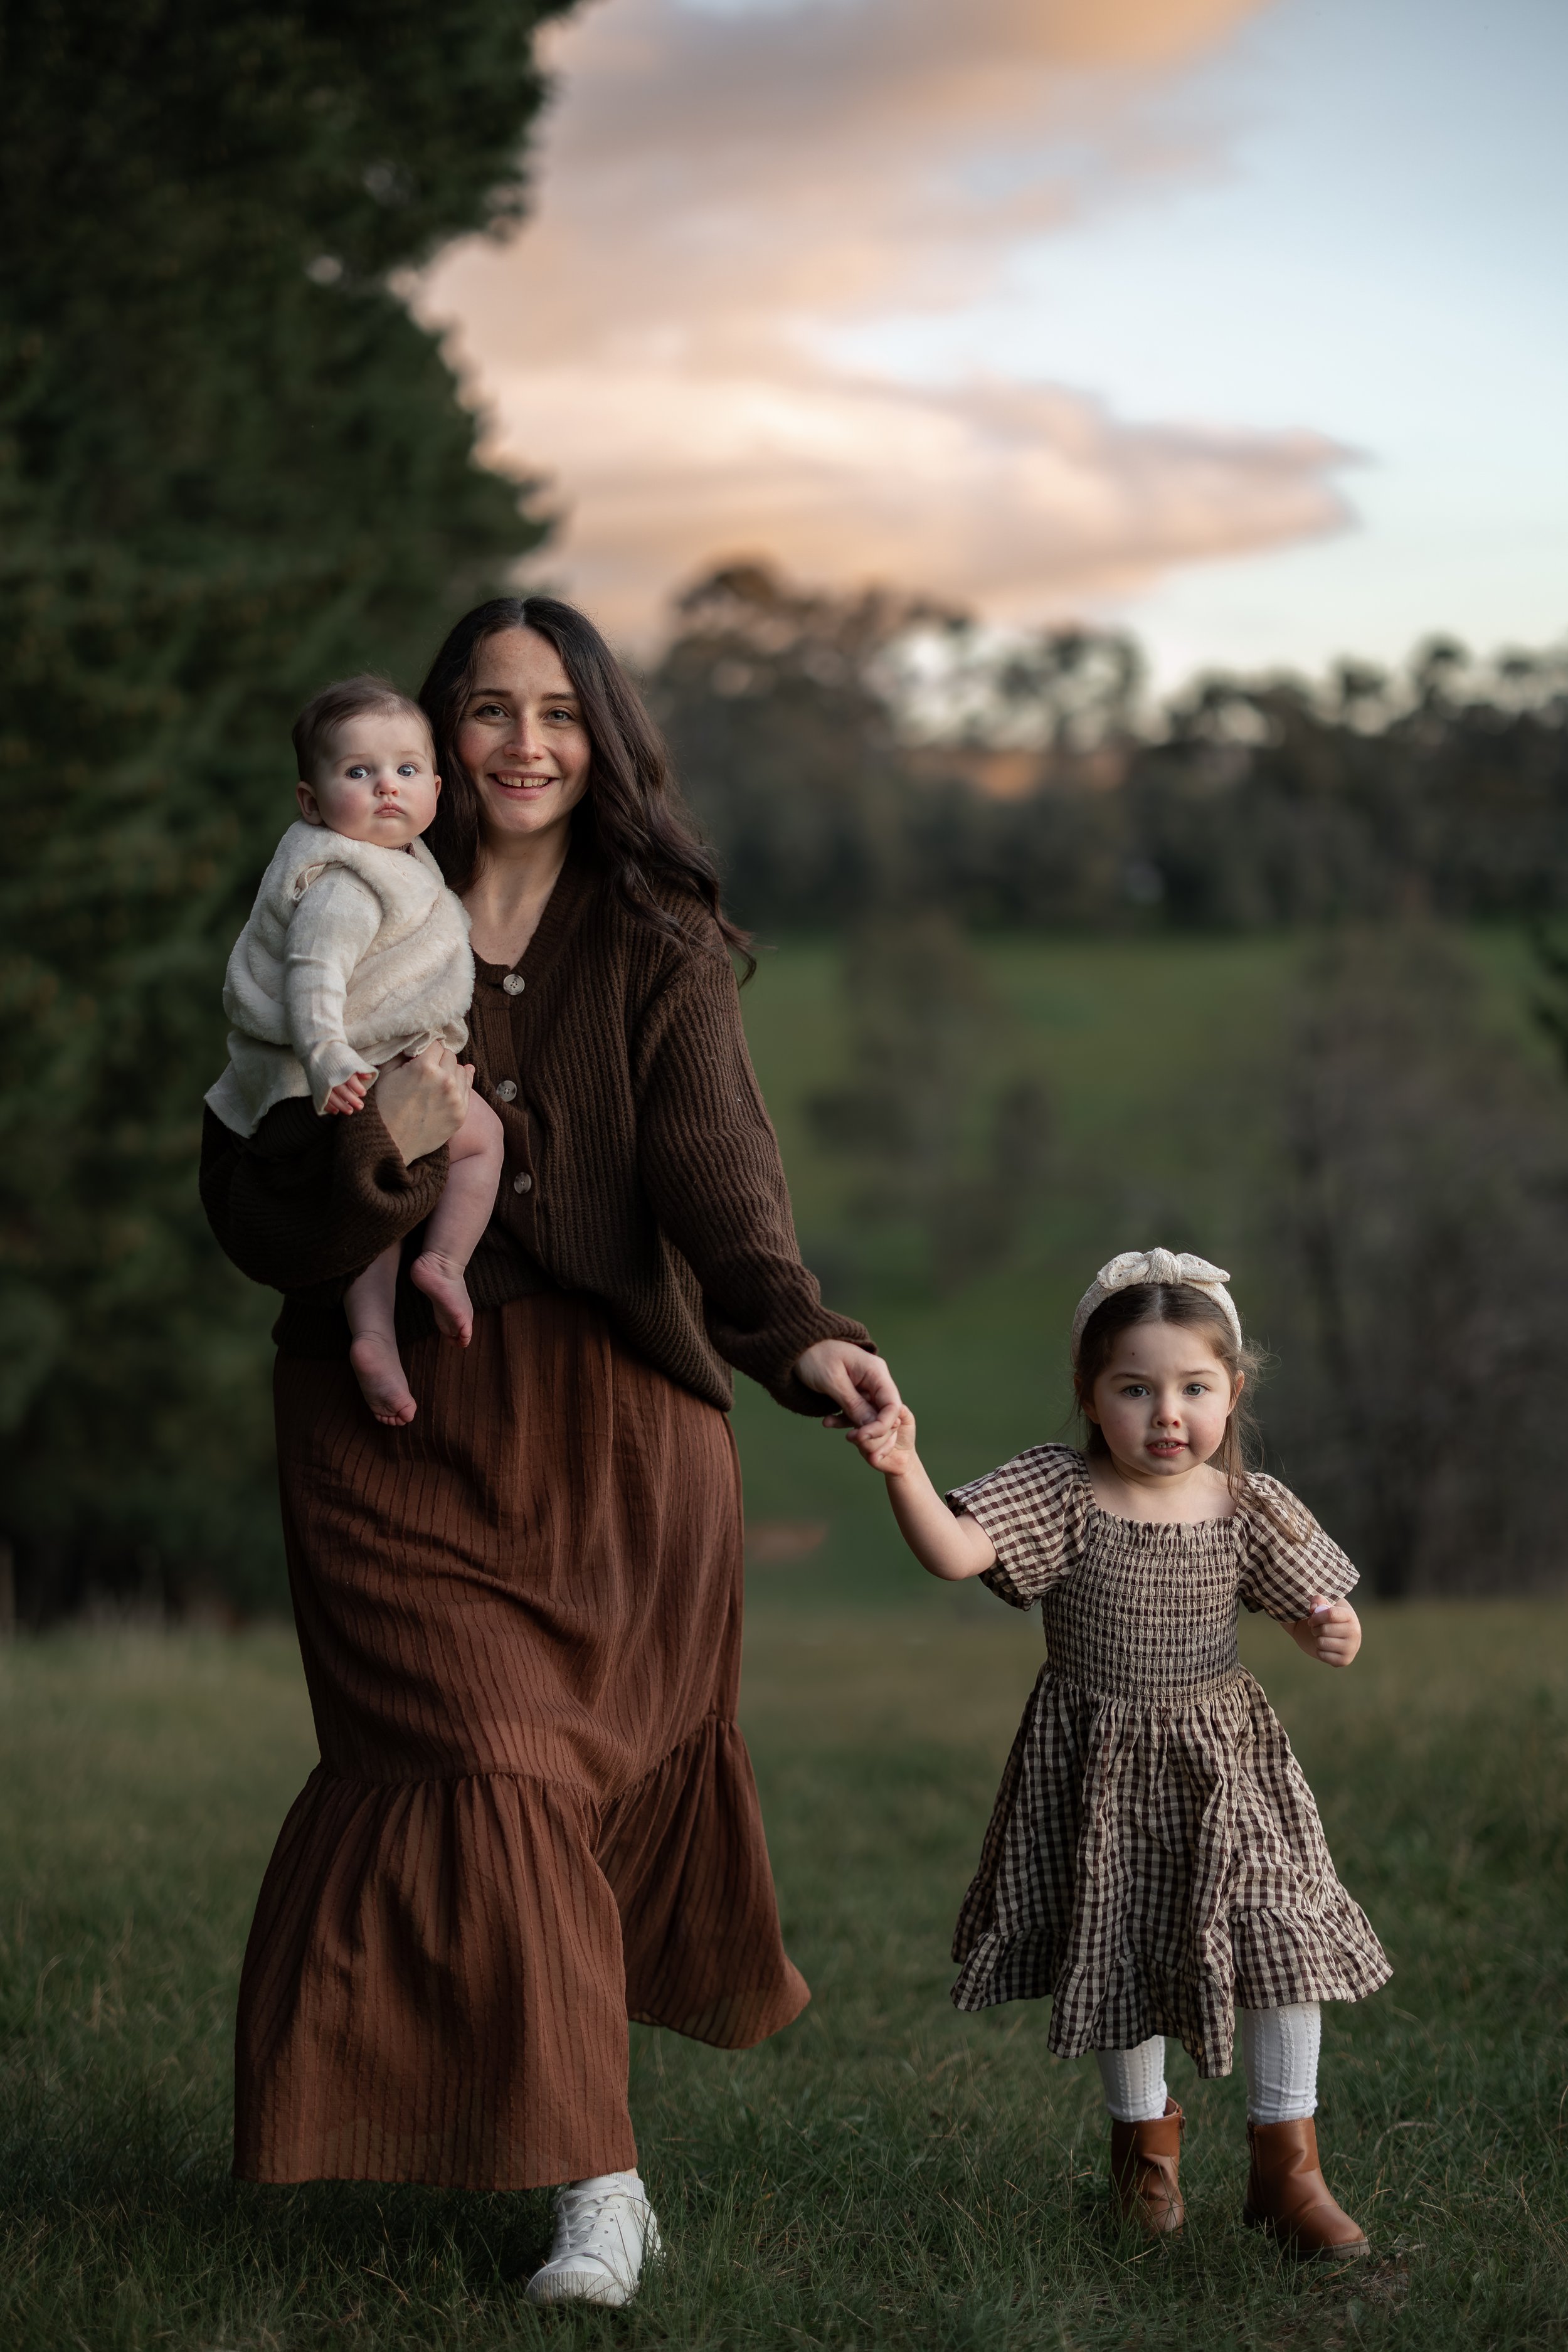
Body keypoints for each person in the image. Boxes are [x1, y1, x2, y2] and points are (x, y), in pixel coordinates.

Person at [200, 595, 899, 2309]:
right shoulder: (326, 911)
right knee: (490, 1768)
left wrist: (798, 1329)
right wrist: (389, 1155)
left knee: (556, 1800)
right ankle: (604, 2191)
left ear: (602, 740)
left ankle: (570, 2156)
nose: (524, 745)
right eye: (486, 712)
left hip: (607, 1438)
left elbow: (720, 1180)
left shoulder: (651, 943)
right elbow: (246, 1199)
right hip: (388, 1428)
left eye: (558, 713)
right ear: (428, 745)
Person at [852, 1246, 1389, 2259]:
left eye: (1193, 1388)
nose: (1167, 1414)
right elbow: (958, 1552)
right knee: (1122, 1950)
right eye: (1135, 1389)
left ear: (1233, 1392)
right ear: (1091, 1399)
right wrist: (902, 1468)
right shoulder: (1062, 1492)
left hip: (1227, 1768)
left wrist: (1331, 1628)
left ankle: (1291, 2168)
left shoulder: (1246, 1506)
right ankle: (1148, 2165)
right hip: (1097, 1767)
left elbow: (1317, 1601)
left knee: (1282, 1937)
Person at [206, 676, 504, 1428]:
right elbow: (313, 976)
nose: (386, 789)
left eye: (406, 771)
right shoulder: (342, 880)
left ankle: (372, 1334)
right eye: (358, 773)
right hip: (336, 1072)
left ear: (437, 787)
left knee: (376, 1201)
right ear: (311, 802)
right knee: (481, 1138)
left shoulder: (399, 860)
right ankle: (443, 1263)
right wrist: (330, 1058)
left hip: (359, 1071)